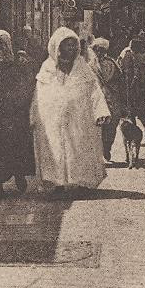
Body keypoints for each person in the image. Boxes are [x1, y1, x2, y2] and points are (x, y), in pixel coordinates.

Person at [31, 27, 111, 196]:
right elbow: (38, 96)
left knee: (81, 150)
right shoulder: (47, 69)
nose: (72, 48)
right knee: (54, 151)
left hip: (80, 120)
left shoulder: (83, 68)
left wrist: (100, 111)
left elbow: (94, 91)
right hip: (52, 123)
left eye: (74, 45)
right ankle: (56, 184)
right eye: (67, 45)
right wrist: (34, 116)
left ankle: (83, 183)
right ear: (58, 47)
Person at [0, 30, 36, 199]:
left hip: (14, 114)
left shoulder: (17, 63)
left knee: (16, 148)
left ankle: (19, 174)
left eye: (5, 43)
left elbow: (25, 85)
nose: (2, 47)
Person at [91, 37, 127, 161]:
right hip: (97, 99)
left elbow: (121, 82)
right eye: (96, 49)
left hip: (112, 98)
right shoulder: (90, 64)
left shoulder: (112, 64)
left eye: (101, 50)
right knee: (98, 126)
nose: (98, 52)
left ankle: (107, 147)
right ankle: (101, 149)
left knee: (111, 126)